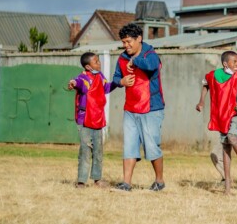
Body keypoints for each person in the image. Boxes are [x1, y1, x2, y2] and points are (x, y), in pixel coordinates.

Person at [196, 51, 237, 194]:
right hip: (223, 119)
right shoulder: (214, 76)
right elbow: (205, 84)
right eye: (235, 62)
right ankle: (227, 183)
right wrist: (201, 101)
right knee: (222, 150)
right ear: (226, 64)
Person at [112, 23, 166, 192]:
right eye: (124, 42)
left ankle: (159, 181)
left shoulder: (151, 54)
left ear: (139, 39)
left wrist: (134, 60)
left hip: (151, 108)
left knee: (151, 146)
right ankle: (126, 183)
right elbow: (115, 78)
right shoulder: (122, 58)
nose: (126, 45)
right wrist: (121, 82)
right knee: (129, 146)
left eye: (129, 42)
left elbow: (150, 66)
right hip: (130, 109)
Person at [67, 52, 116, 188]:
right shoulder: (83, 78)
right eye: (96, 61)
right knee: (85, 150)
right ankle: (81, 181)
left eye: (99, 61)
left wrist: (119, 83)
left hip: (97, 119)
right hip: (84, 121)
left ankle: (97, 179)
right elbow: (78, 83)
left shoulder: (100, 77)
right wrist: (72, 83)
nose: (99, 63)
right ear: (88, 66)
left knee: (98, 150)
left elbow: (106, 87)